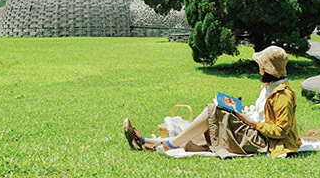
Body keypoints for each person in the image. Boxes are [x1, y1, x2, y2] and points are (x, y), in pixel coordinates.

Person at [123, 45, 301, 158]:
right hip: (257, 132)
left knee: (213, 111)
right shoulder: (268, 87)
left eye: (261, 65)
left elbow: (281, 131)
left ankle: (164, 144)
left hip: (266, 142)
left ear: (267, 69)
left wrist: (249, 121)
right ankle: (146, 142)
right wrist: (242, 113)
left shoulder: (283, 95)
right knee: (205, 128)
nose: (259, 68)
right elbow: (263, 115)